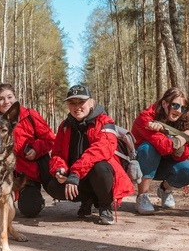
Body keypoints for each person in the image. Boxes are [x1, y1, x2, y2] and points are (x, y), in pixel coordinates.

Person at [46, 85, 135, 225]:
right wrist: (60, 169)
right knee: (53, 186)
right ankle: (87, 199)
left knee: (100, 167)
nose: (77, 107)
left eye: (81, 102)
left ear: (91, 103)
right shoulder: (64, 126)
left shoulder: (105, 122)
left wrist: (75, 172)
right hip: (77, 175)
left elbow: (102, 149)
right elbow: (57, 153)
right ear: (68, 106)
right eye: (72, 103)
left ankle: (105, 206)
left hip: (100, 174)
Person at [0, 83, 56, 220]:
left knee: (29, 210)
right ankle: (1, 204)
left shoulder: (30, 115)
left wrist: (36, 149)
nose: (6, 102)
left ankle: (36, 200)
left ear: (15, 98)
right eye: (1, 99)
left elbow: (50, 140)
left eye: (9, 97)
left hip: (28, 173)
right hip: (3, 172)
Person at [131, 87, 189, 215]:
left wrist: (181, 142)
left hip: (165, 163)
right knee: (149, 148)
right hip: (143, 163)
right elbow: (164, 146)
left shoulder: (182, 121)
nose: (179, 111)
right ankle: (142, 196)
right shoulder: (146, 118)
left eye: (183, 108)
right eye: (175, 105)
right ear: (164, 103)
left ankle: (165, 190)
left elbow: (183, 155)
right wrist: (185, 136)